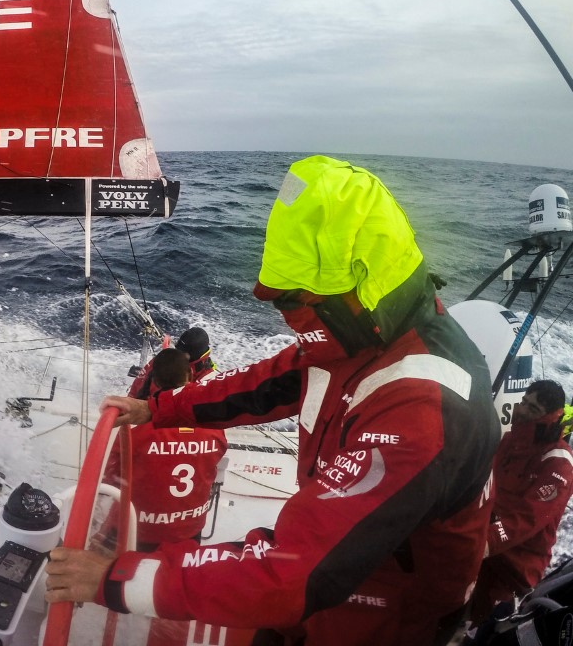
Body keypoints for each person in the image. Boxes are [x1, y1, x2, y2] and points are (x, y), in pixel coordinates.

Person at [45, 155, 501, 646]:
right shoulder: (361, 336)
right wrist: (158, 407)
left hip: (385, 615)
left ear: (361, 291)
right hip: (328, 579)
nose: (287, 317)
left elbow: (295, 572)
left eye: (294, 301)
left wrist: (114, 577)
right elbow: (267, 382)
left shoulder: (423, 409)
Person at [469, 379, 573, 623]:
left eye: (533, 408)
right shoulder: (509, 441)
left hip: (515, 567)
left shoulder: (559, 463)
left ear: (552, 417)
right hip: (483, 544)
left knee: (482, 627)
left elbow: (528, 518)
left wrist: (485, 542)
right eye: (524, 402)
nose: (523, 410)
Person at [109, 345, 227, 552]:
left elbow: (110, 478)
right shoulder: (215, 430)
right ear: (190, 376)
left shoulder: (133, 434)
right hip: (190, 533)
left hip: (138, 532)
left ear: (154, 381)